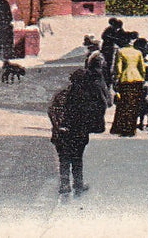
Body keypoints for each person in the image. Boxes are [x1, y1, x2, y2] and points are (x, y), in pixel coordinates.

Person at [49, 52, 108, 195]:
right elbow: (100, 106)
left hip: (62, 132)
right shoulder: (86, 97)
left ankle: (64, 185)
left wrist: (58, 126)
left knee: (63, 159)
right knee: (77, 158)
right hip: (80, 131)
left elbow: (52, 111)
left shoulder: (62, 95)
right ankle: (78, 184)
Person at [110, 32, 146, 136]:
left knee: (125, 104)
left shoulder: (121, 52)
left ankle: (124, 128)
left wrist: (116, 79)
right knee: (134, 105)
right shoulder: (138, 52)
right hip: (137, 80)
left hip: (126, 79)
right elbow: (142, 68)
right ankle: (132, 128)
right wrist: (142, 78)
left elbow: (118, 67)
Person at [100, 18, 126, 87]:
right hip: (107, 49)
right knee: (108, 63)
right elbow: (103, 36)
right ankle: (108, 77)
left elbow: (122, 38)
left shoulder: (120, 30)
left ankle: (111, 77)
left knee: (115, 63)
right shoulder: (108, 29)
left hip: (114, 49)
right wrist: (113, 39)